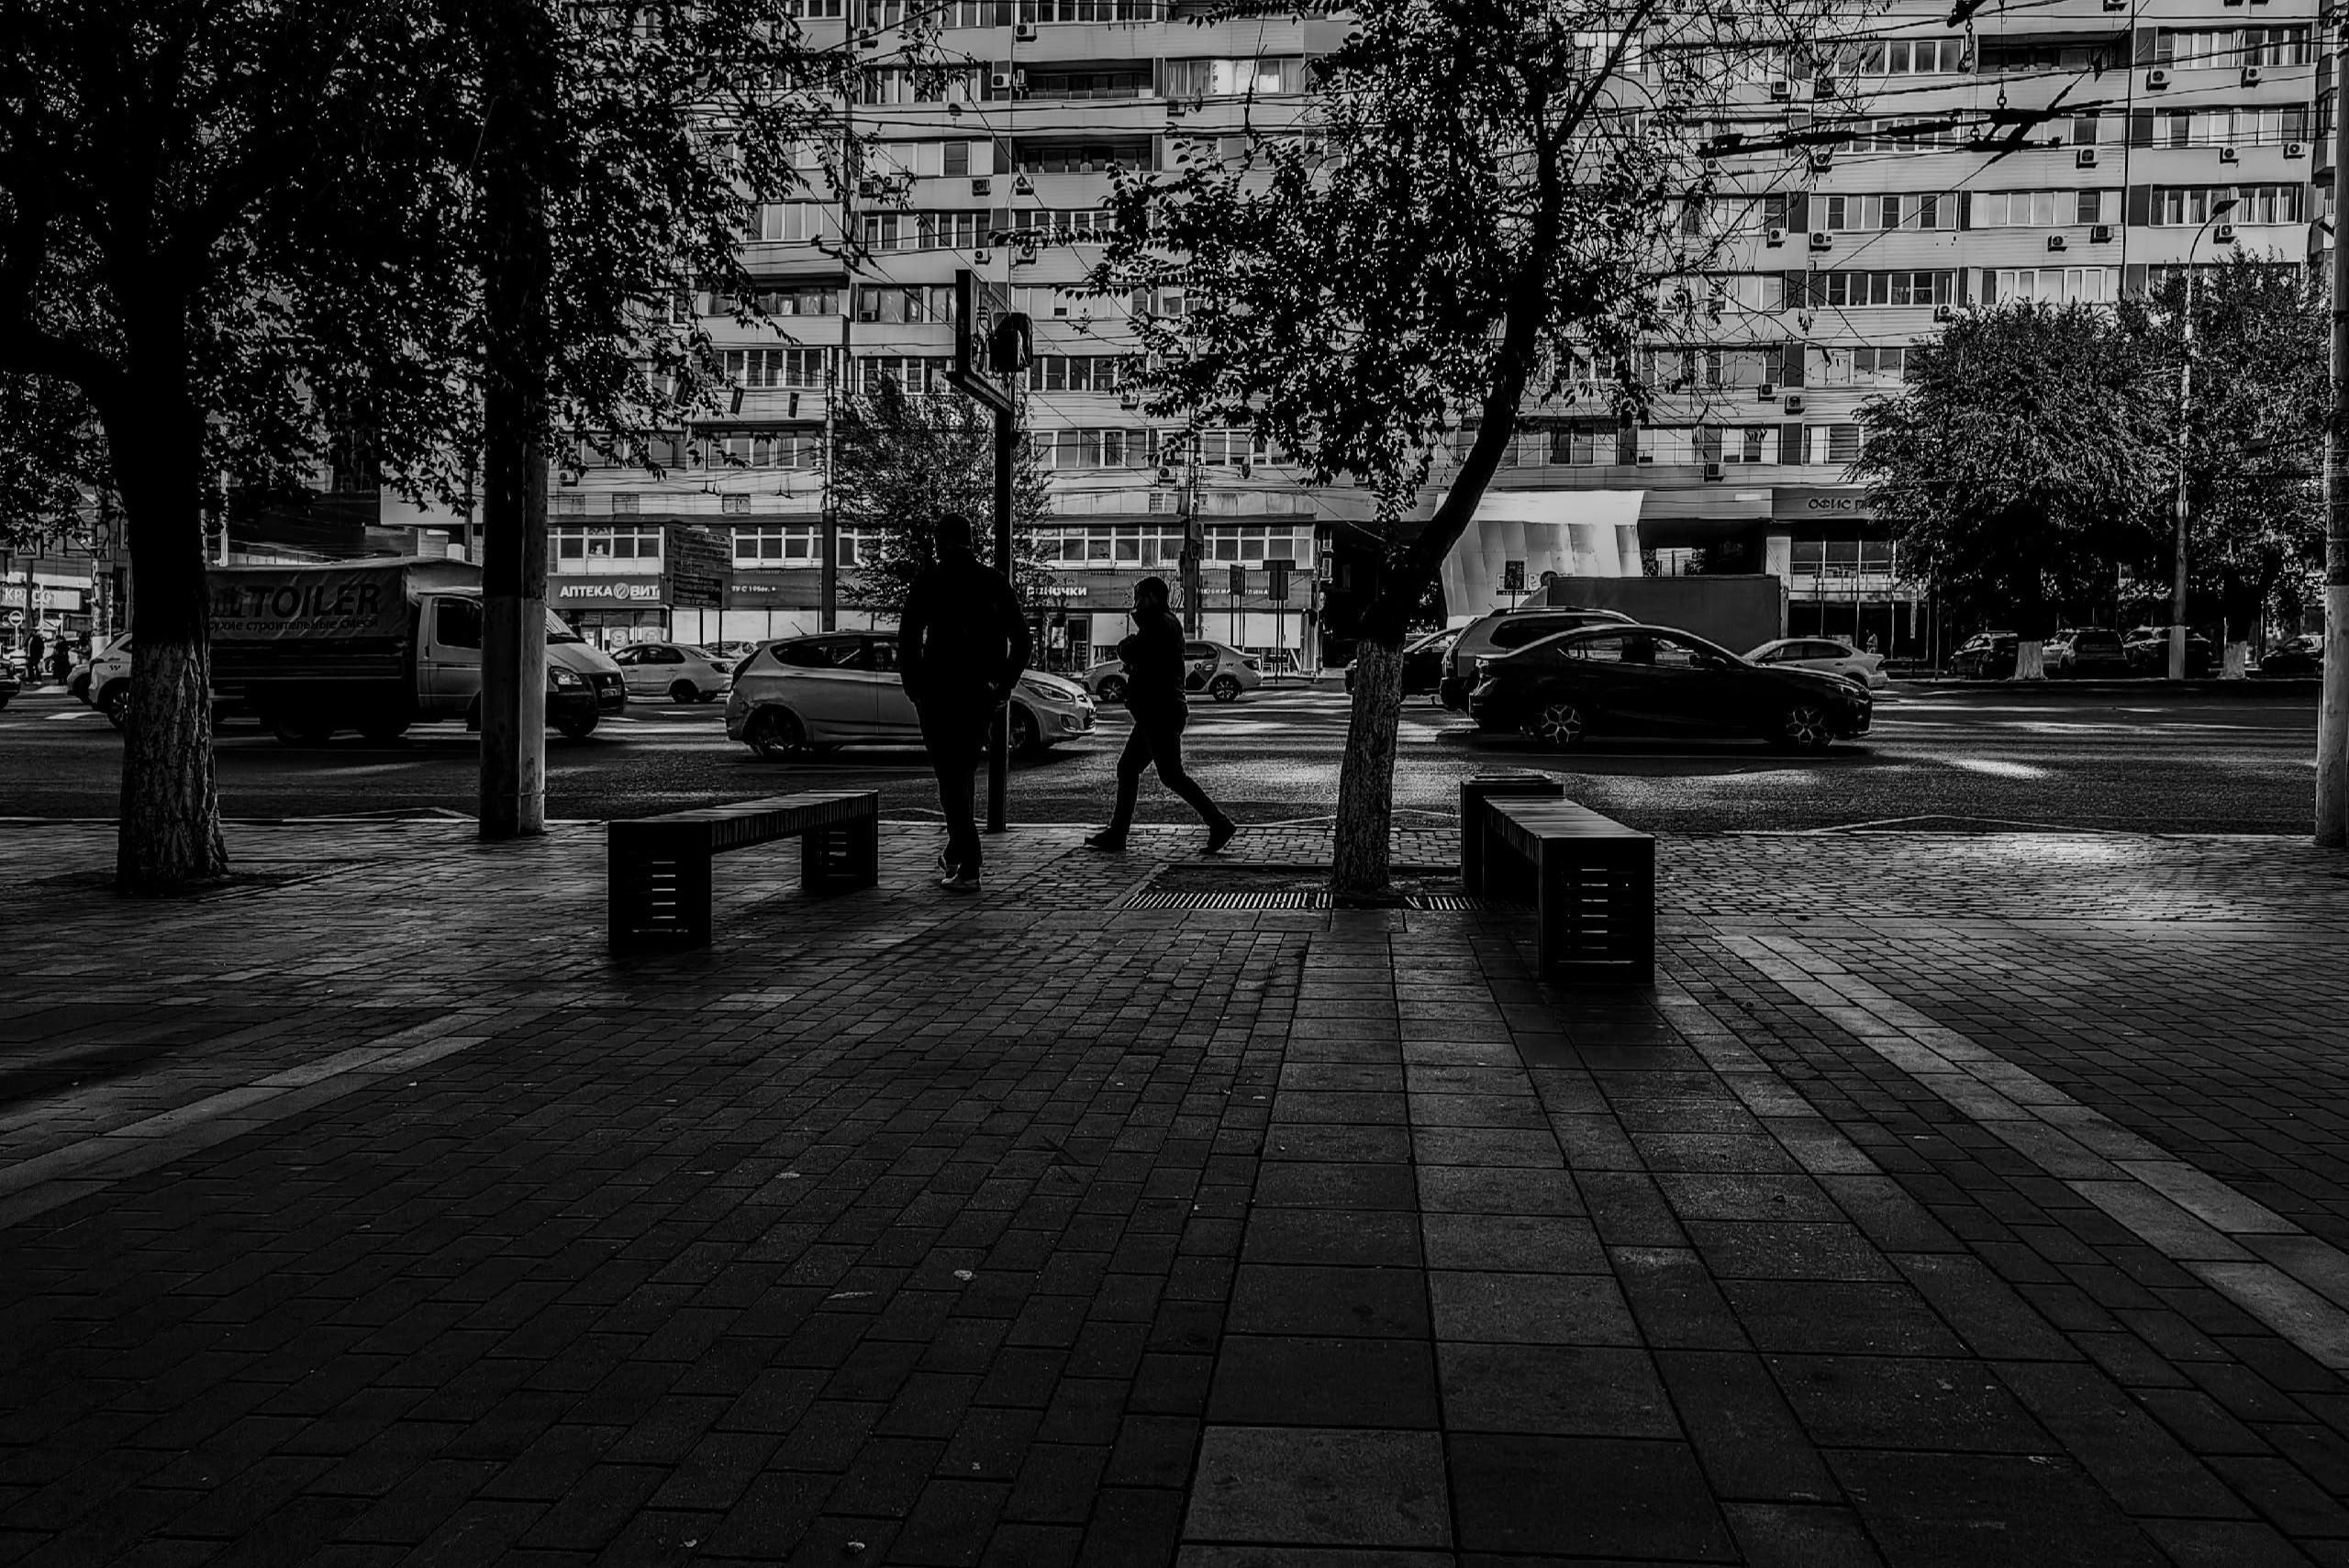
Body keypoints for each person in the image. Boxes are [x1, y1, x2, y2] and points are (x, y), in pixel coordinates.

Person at [899, 513, 1031, 893]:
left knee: (950, 778)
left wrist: (914, 685)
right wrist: (1003, 684)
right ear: (971, 540)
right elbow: (1022, 639)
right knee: (964, 772)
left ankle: (969, 862)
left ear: (940, 541)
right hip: (979, 692)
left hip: (939, 691)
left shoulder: (931, 580)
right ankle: (957, 850)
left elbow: (908, 636)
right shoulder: (993, 581)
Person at [1085, 577, 1236, 854]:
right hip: (1157, 712)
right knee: (1130, 768)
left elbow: (1130, 650)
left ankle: (1218, 823)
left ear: (1153, 597)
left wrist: (1130, 646)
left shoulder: (1158, 624)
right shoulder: (1163, 623)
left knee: (1170, 775)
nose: (1136, 604)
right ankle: (1118, 833)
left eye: (1139, 598)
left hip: (1160, 712)